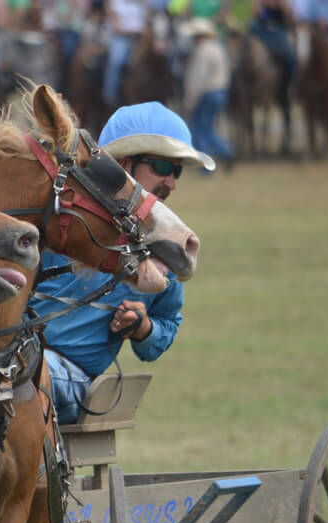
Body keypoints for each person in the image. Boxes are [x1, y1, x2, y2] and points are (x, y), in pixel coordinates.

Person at [31, 102, 214, 424]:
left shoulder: (165, 250)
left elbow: (166, 324)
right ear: (124, 165)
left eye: (177, 172)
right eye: (162, 167)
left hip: (70, 379)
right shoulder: (62, 220)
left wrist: (144, 328)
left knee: (23, 372)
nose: (171, 182)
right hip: (16, 357)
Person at [182, 18, 232, 169]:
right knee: (207, 128)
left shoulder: (201, 51)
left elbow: (198, 78)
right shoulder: (218, 48)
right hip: (220, 92)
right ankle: (226, 153)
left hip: (207, 94)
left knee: (200, 130)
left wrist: (190, 101)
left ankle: (211, 163)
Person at [103, 0, 147, 107]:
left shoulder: (140, 4)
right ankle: (110, 95)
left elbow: (145, 23)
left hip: (138, 39)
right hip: (121, 38)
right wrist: (132, 31)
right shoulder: (115, 3)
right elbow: (116, 27)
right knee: (117, 61)